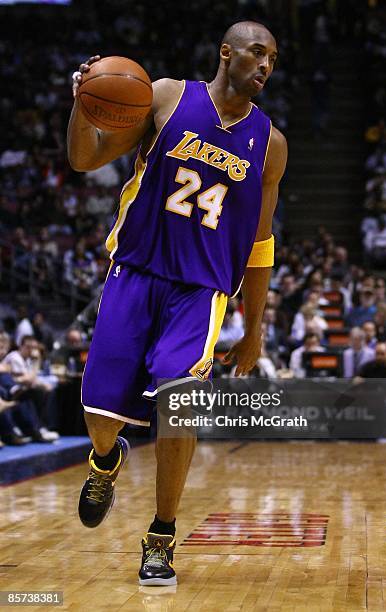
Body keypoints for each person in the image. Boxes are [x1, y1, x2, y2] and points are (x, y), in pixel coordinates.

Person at [68, 21, 286, 586]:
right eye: (257, 53)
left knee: (179, 403)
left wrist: (254, 328)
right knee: (98, 417)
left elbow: (260, 243)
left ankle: (162, 535)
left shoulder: (271, 143)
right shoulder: (165, 96)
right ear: (226, 53)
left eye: (273, 59)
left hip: (200, 290)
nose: (265, 65)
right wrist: (83, 105)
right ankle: (105, 461)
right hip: (135, 271)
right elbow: (85, 158)